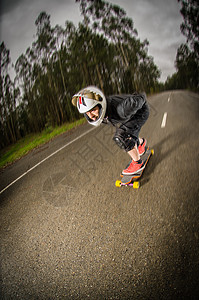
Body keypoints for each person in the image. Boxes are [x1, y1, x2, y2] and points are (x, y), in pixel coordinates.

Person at [72, 86, 149, 175]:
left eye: (93, 110)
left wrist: (141, 94)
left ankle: (137, 163)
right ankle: (141, 144)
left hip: (140, 112)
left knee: (122, 137)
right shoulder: (101, 112)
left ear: (101, 104)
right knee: (126, 132)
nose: (91, 116)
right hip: (127, 116)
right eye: (87, 113)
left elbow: (140, 97)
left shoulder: (122, 109)